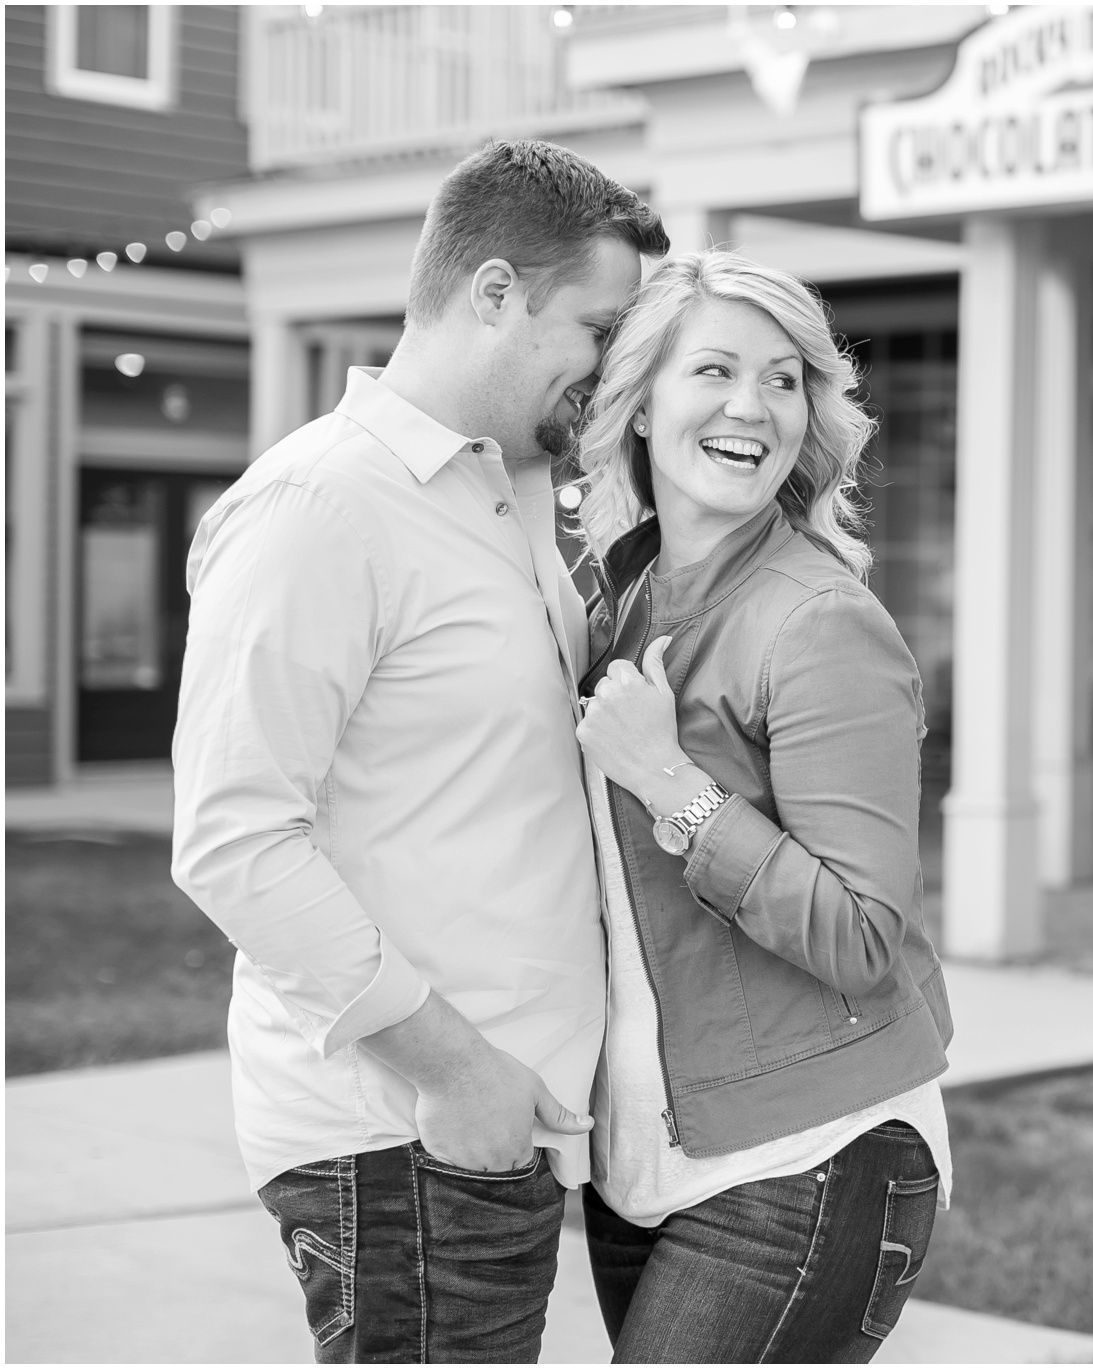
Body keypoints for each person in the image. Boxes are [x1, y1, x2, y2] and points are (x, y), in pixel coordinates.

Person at [171, 139, 667, 1363]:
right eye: (599, 333)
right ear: (494, 292)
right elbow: (233, 841)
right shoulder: (321, 508)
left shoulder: (496, 500)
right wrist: (458, 1077)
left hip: (486, 1142)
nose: (613, 377)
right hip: (404, 1138)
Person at [571, 250, 953, 1363]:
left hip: (806, 1157)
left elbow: (862, 935)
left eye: (784, 379)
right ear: (639, 401)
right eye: (716, 370)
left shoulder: (818, 622)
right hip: (644, 1159)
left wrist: (673, 786)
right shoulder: (625, 597)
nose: (753, 406)